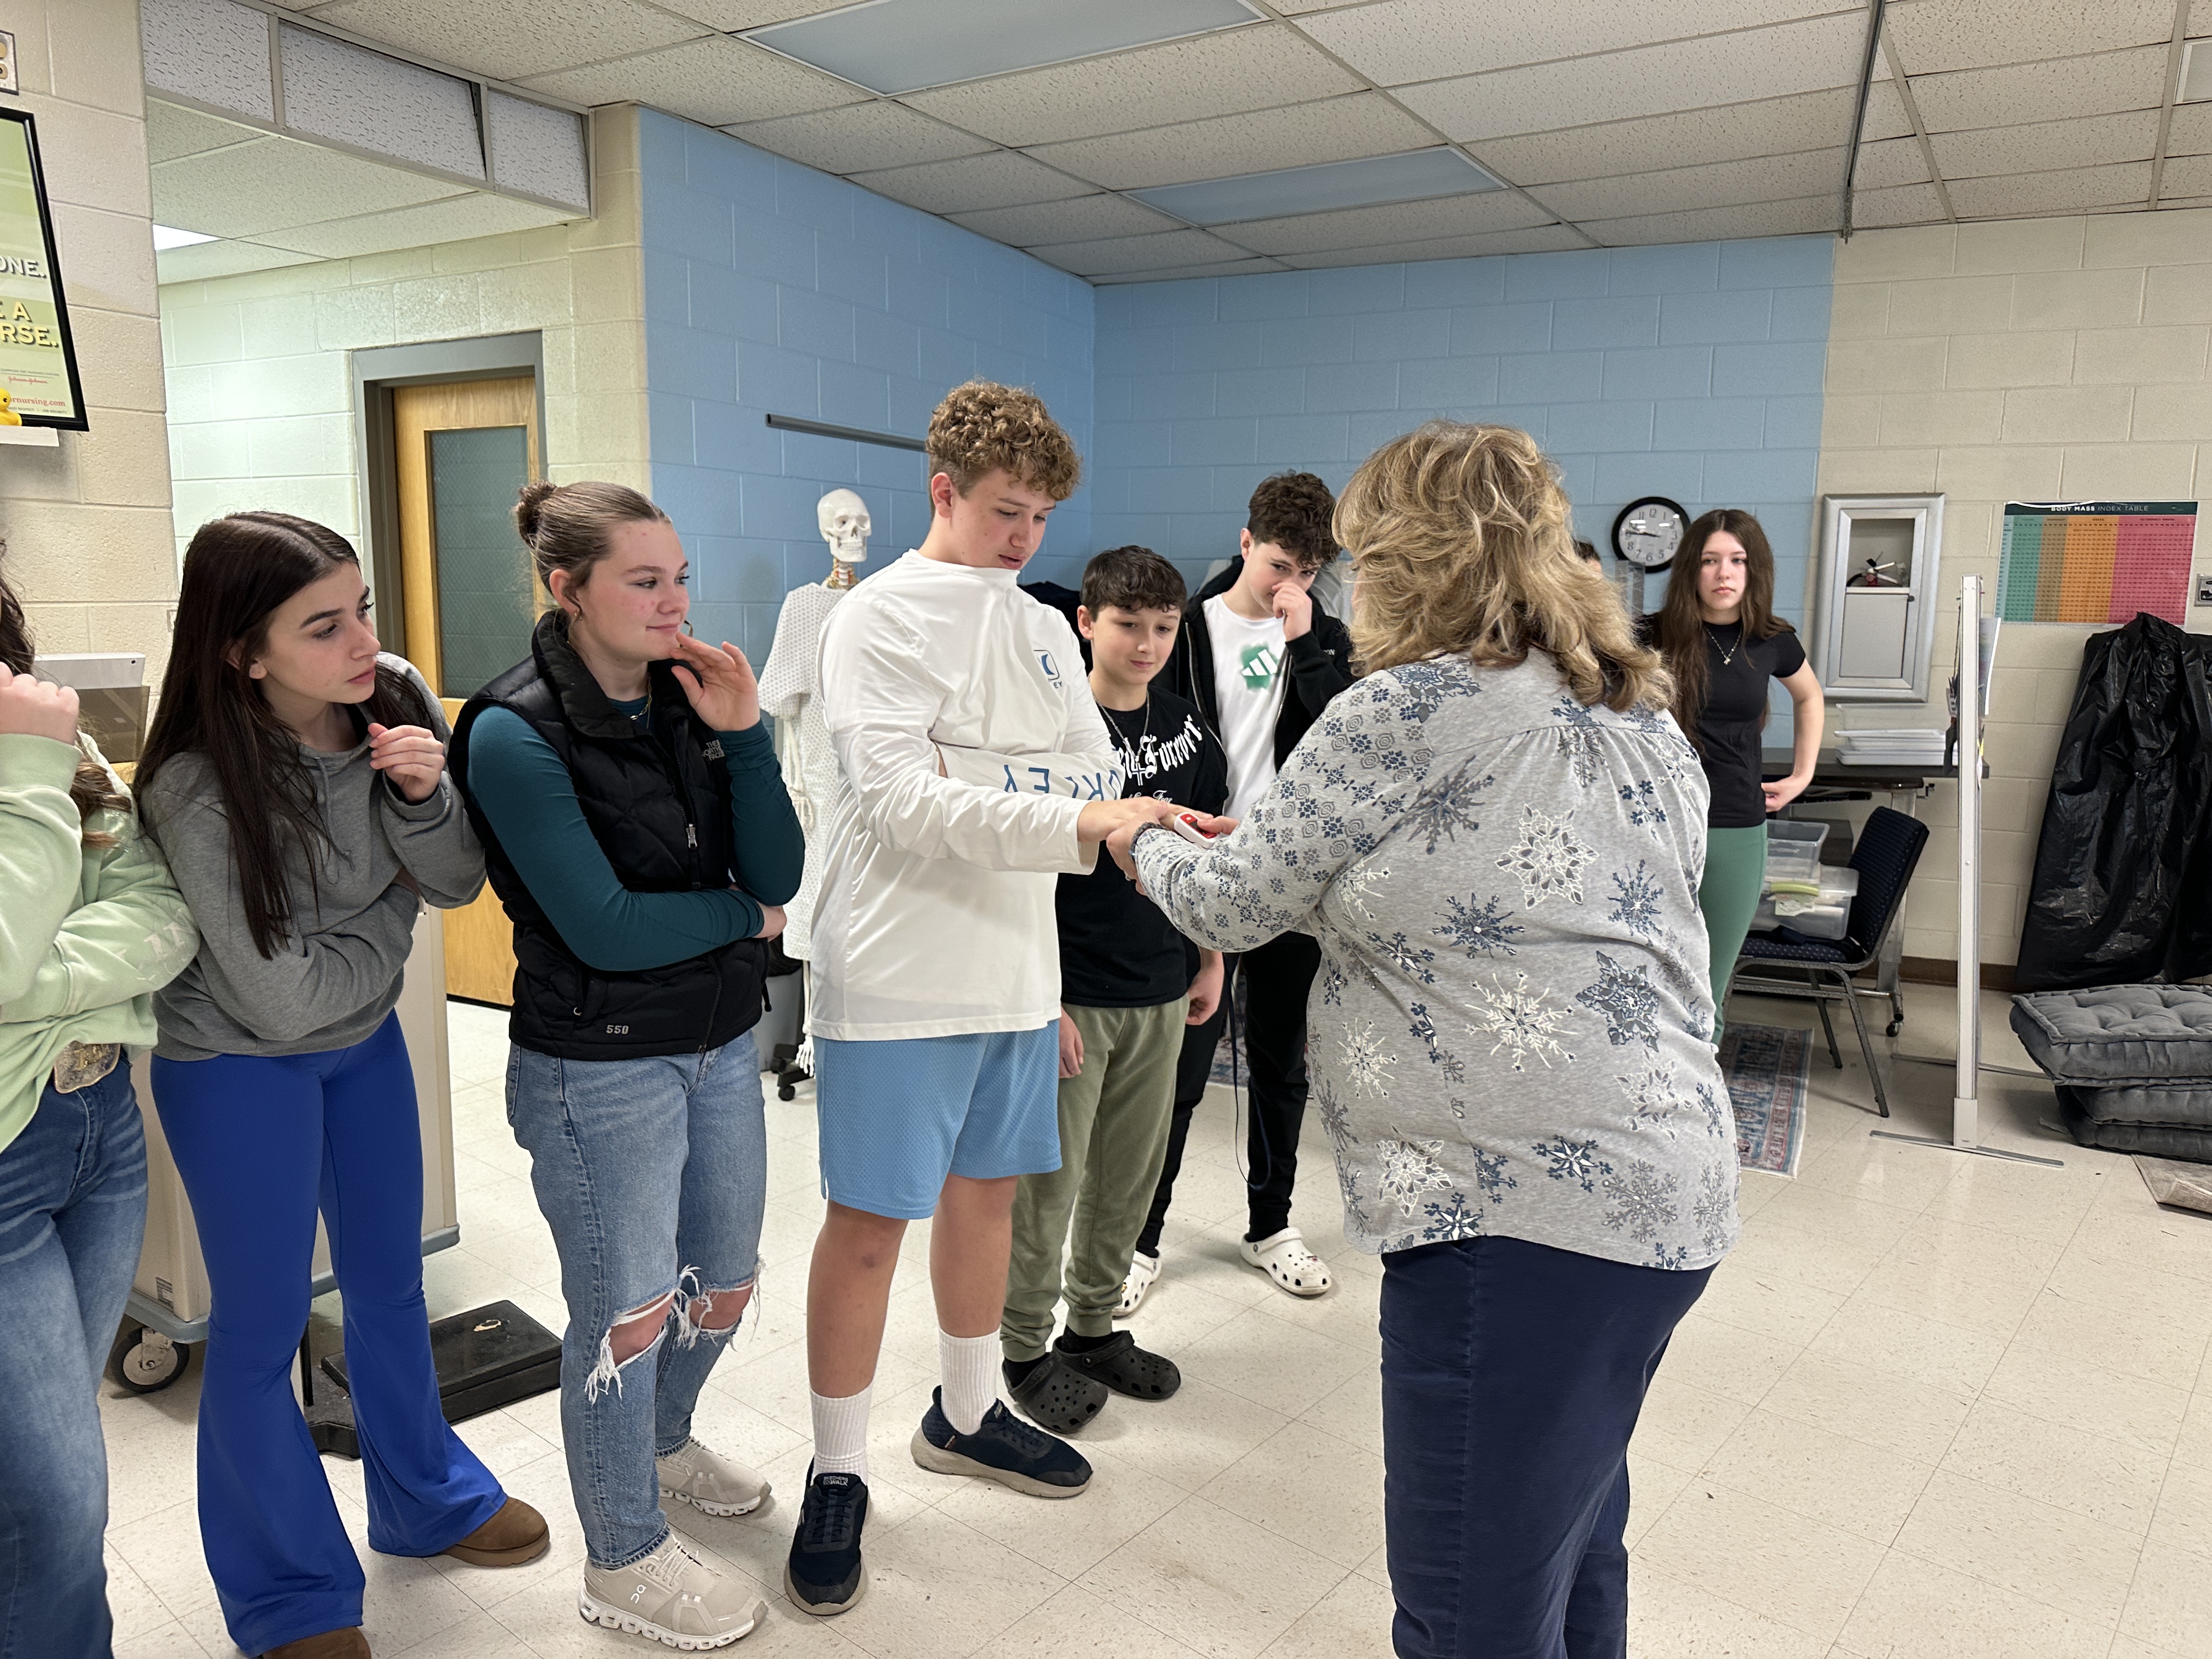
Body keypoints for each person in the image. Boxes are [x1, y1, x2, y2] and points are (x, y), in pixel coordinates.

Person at [1111, 421, 1738, 1659]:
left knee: (1471, 1611)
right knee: (1572, 1543)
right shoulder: (1641, 714)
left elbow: (1239, 905)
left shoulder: (1399, 709)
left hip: (1512, 1216)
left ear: (1397, 563)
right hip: (1668, 1195)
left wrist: (1138, 837)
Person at [787, 382, 1177, 1617]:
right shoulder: (877, 620)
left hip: (1014, 971)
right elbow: (908, 800)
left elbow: (1093, 770)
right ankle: (837, 1467)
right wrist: (1049, 802)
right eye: (1007, 511)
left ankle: (964, 1414)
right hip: (897, 971)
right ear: (943, 491)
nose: (1025, 538)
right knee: (867, 1228)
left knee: (989, 1203)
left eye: (1044, 517)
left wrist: (1015, 790)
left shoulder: (1048, 627)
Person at [138, 513, 546, 1659]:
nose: (363, 640)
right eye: (324, 625)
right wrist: (390, 921)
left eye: (361, 607)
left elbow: (457, 882)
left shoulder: (397, 699)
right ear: (243, 652)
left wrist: (423, 799)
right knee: (260, 1334)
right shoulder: (195, 787)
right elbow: (275, 999)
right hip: (236, 1068)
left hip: (361, 1048)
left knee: (389, 1285)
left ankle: (429, 1501)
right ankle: (290, 1592)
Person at [452, 481, 805, 1650]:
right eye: (644, 582)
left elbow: (782, 871)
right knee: (626, 1314)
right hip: (597, 1067)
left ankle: (660, 1443)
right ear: (568, 589)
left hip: (715, 1042)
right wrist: (738, 916)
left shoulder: (694, 699)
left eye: (681, 577)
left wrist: (748, 735)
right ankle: (621, 1554)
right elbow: (603, 927)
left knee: (727, 1276)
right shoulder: (513, 730)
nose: (675, 603)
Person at [0, 564, 197, 1659]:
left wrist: (40, 971)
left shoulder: (39, 725)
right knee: (57, 1499)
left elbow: (161, 915)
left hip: (98, 1135)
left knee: (45, 1477)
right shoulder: (33, 738)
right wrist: (25, 763)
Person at [1001, 545, 1227, 1431]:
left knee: (1129, 1178)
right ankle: (1022, 1344)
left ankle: (1092, 1328)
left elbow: (1207, 854)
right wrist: (1040, 995)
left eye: (1163, 627)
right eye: (1127, 623)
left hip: (1161, 990)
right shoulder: (1050, 733)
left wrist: (1207, 956)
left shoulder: (1188, 731)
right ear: (1086, 622)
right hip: (1071, 992)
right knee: (1046, 1185)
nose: (1146, 643)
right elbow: (1019, 875)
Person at [1130, 471, 1355, 1311]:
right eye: (1280, 564)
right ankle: (1140, 1239)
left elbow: (1346, 741)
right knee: (1184, 1067)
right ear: (1245, 542)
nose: (1292, 583)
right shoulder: (1183, 631)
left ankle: (1271, 1225)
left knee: (1279, 1063)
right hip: (1199, 869)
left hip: (1293, 877)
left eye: (1310, 569)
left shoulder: (1327, 636)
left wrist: (1304, 643)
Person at [1642, 509, 1824, 1045]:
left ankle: (1696, 1113)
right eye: (1711, 561)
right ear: (1690, 570)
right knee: (1648, 974)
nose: (1725, 573)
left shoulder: (1772, 639)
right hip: (1657, 826)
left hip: (1735, 825)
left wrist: (1802, 775)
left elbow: (1810, 695)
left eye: (1738, 561)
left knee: (1709, 982)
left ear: (1755, 570)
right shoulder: (1647, 636)